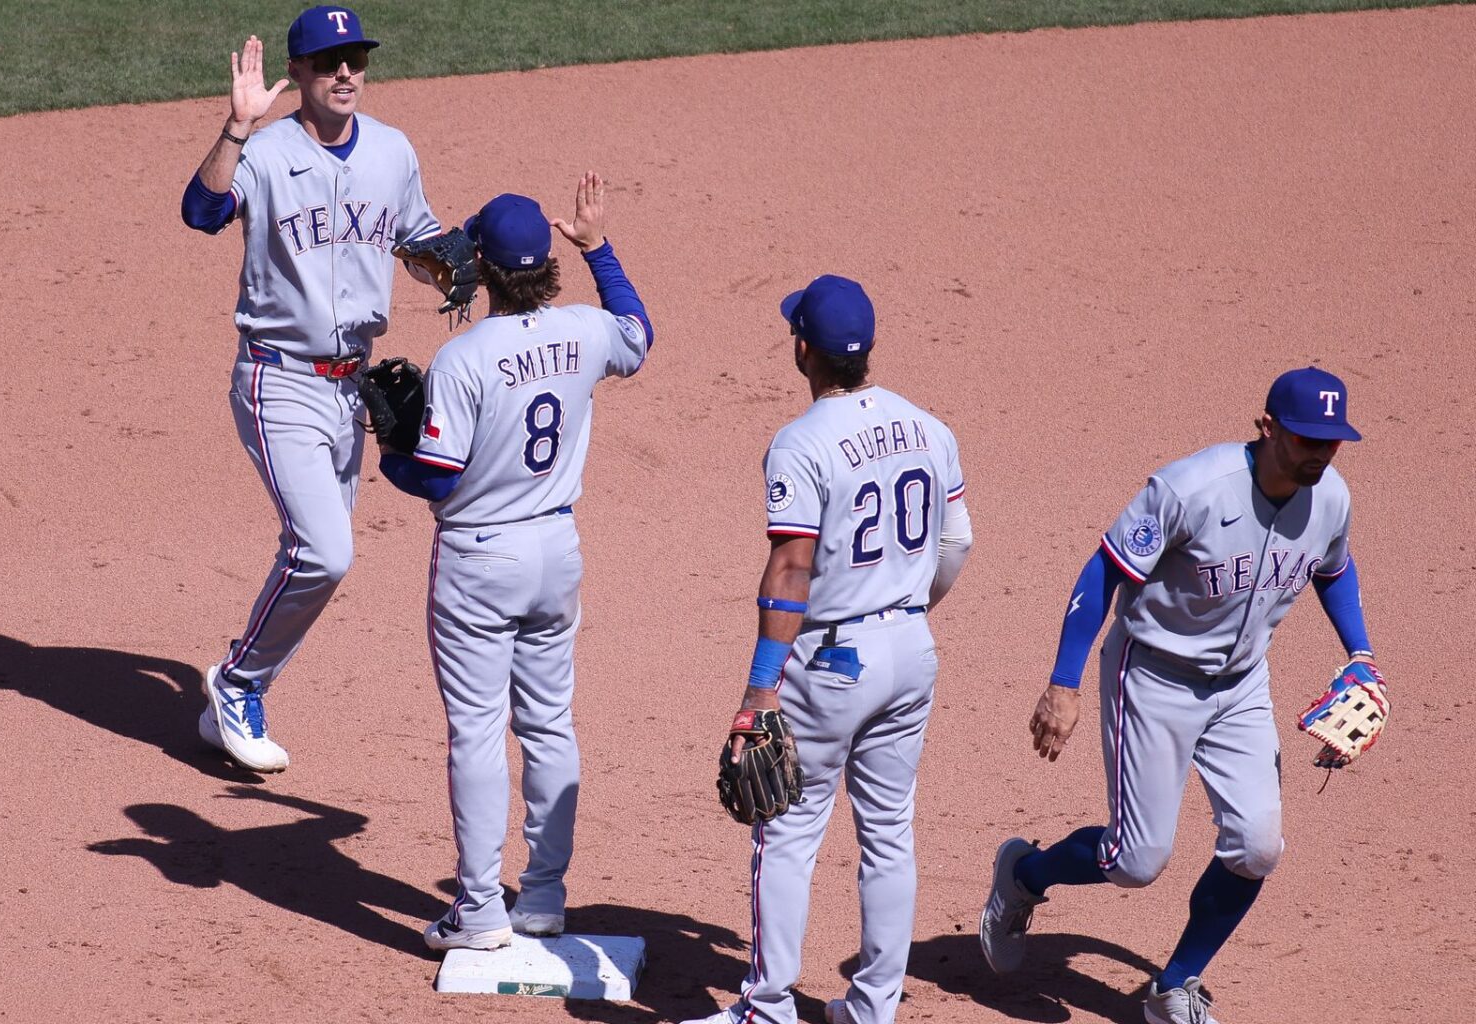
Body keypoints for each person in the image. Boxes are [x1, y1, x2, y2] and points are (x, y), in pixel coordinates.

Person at [978, 367, 1380, 1024]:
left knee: (1258, 847)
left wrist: (1360, 653)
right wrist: (1063, 683)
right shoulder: (1192, 489)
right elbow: (1105, 568)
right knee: (1134, 861)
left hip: (1242, 684)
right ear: (1268, 428)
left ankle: (1174, 987)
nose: (1320, 453)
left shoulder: (1330, 496)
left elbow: (1334, 566)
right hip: (1153, 674)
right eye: (1307, 438)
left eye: (1331, 442)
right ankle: (1023, 874)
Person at [685, 276, 973, 1024]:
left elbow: (789, 569)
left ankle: (767, 1007)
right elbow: (958, 540)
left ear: (802, 349)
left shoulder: (801, 442)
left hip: (833, 662)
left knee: (784, 829)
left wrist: (758, 691)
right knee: (888, 833)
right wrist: (907, 609)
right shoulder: (928, 427)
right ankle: (874, 1008)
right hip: (912, 650)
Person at [377, 177, 651, 951]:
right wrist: (599, 248)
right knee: (549, 722)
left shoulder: (464, 357)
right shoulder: (587, 332)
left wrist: (390, 450)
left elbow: (436, 474)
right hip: (556, 553)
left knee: (475, 730)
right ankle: (542, 898)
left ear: (488, 272)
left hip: (479, 558)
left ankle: (478, 911)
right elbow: (639, 330)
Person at [180, 5, 442, 773]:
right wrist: (236, 127)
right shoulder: (264, 154)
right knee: (326, 552)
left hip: (352, 390)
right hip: (278, 378)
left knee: (318, 552)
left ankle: (232, 696)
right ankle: (237, 682)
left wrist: (453, 264)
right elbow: (200, 212)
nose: (346, 74)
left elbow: (420, 241)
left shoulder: (392, 152)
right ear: (296, 73)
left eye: (356, 59)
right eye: (328, 62)